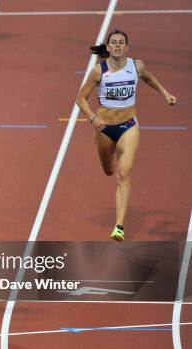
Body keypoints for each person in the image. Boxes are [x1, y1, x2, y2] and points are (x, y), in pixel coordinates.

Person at [76, 30, 176, 241]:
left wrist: (165, 93)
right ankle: (112, 156)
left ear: (127, 47)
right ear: (109, 47)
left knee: (124, 173)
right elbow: (80, 99)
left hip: (129, 126)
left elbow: (148, 77)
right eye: (114, 43)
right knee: (109, 171)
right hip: (104, 129)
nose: (118, 45)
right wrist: (93, 118)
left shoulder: (136, 66)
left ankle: (119, 226)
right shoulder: (98, 71)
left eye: (122, 42)